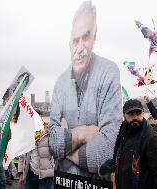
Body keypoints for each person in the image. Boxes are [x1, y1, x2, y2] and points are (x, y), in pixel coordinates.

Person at [49, 0, 122, 180]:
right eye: (75, 40)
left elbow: (107, 151)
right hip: (65, 182)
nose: (80, 47)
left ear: (95, 36)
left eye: (86, 36)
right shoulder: (60, 83)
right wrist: (83, 133)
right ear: (70, 44)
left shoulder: (108, 71)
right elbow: (53, 144)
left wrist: (68, 143)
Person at [100, 99, 157, 189]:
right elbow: (124, 162)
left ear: (143, 113)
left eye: (138, 113)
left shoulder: (151, 138)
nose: (135, 117)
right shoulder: (123, 134)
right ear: (124, 115)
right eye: (131, 114)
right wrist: (110, 165)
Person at [18, 111, 54, 189]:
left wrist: (52, 132)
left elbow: (58, 149)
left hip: (46, 175)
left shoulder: (49, 133)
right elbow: (22, 156)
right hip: (30, 174)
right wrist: (21, 174)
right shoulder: (26, 135)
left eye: (39, 118)